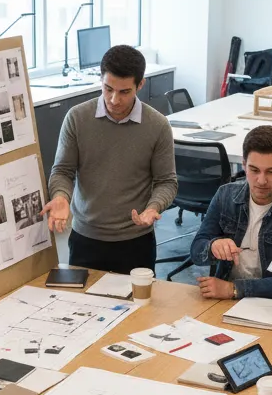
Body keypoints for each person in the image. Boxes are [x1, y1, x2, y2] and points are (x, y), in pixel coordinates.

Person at [43, 44, 176, 274]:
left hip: (136, 241)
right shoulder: (77, 118)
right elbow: (62, 171)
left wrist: (153, 207)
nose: (114, 99)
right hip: (86, 238)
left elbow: (167, 181)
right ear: (101, 80)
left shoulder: (158, 125)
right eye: (108, 89)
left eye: (124, 92)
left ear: (140, 85)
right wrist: (61, 196)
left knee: (137, 298)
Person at [189, 125, 272, 301]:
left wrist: (235, 289)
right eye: (254, 170)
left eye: (271, 171)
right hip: (227, 298)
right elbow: (196, 251)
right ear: (244, 165)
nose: (261, 180)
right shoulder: (225, 195)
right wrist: (213, 246)